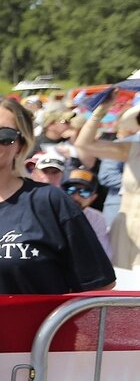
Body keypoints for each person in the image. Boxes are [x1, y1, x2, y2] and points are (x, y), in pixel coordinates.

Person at [0, 98, 115, 293]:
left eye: (6, 135)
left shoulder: (50, 201)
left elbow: (99, 284)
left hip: (40, 323)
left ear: (20, 147)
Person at [76, 98, 140, 270]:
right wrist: (101, 111)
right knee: (123, 288)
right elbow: (84, 144)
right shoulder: (132, 148)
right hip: (126, 230)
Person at [61, 168, 111, 260]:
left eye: (84, 192)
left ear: (93, 197)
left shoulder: (97, 219)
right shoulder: (49, 212)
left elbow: (102, 255)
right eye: (71, 190)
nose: (75, 196)